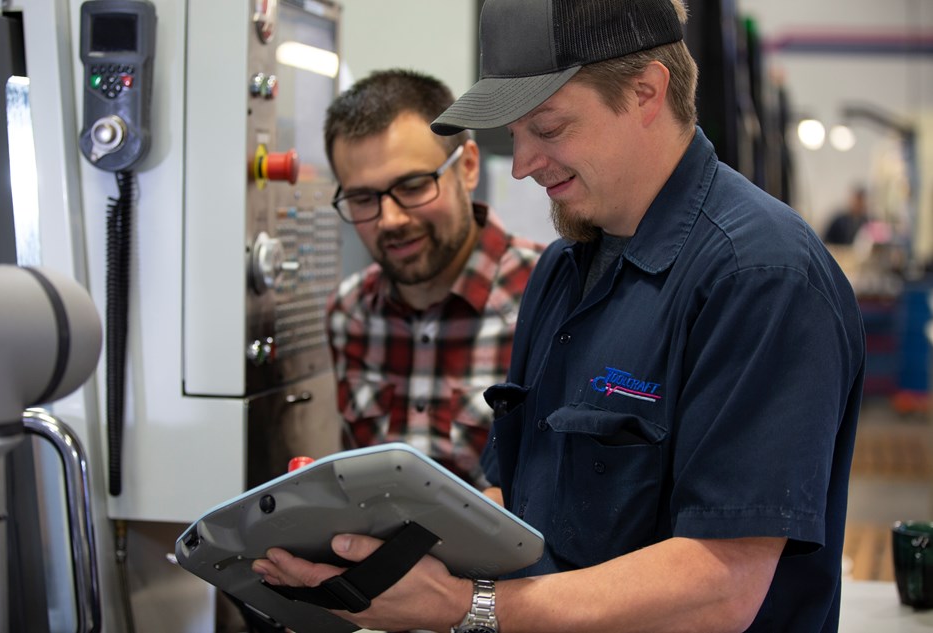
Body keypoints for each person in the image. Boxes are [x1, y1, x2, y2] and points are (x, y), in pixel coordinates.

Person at [253, 2, 865, 632]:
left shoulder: (760, 278)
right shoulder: (563, 270)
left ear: (645, 92)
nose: (521, 164)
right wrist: (378, 560)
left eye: (546, 129)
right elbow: (519, 505)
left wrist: (465, 608)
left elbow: (721, 585)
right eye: (514, 134)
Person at [322, 69, 544, 488]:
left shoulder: (550, 296)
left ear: (469, 168)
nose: (390, 220)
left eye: (412, 186)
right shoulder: (347, 313)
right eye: (363, 198)